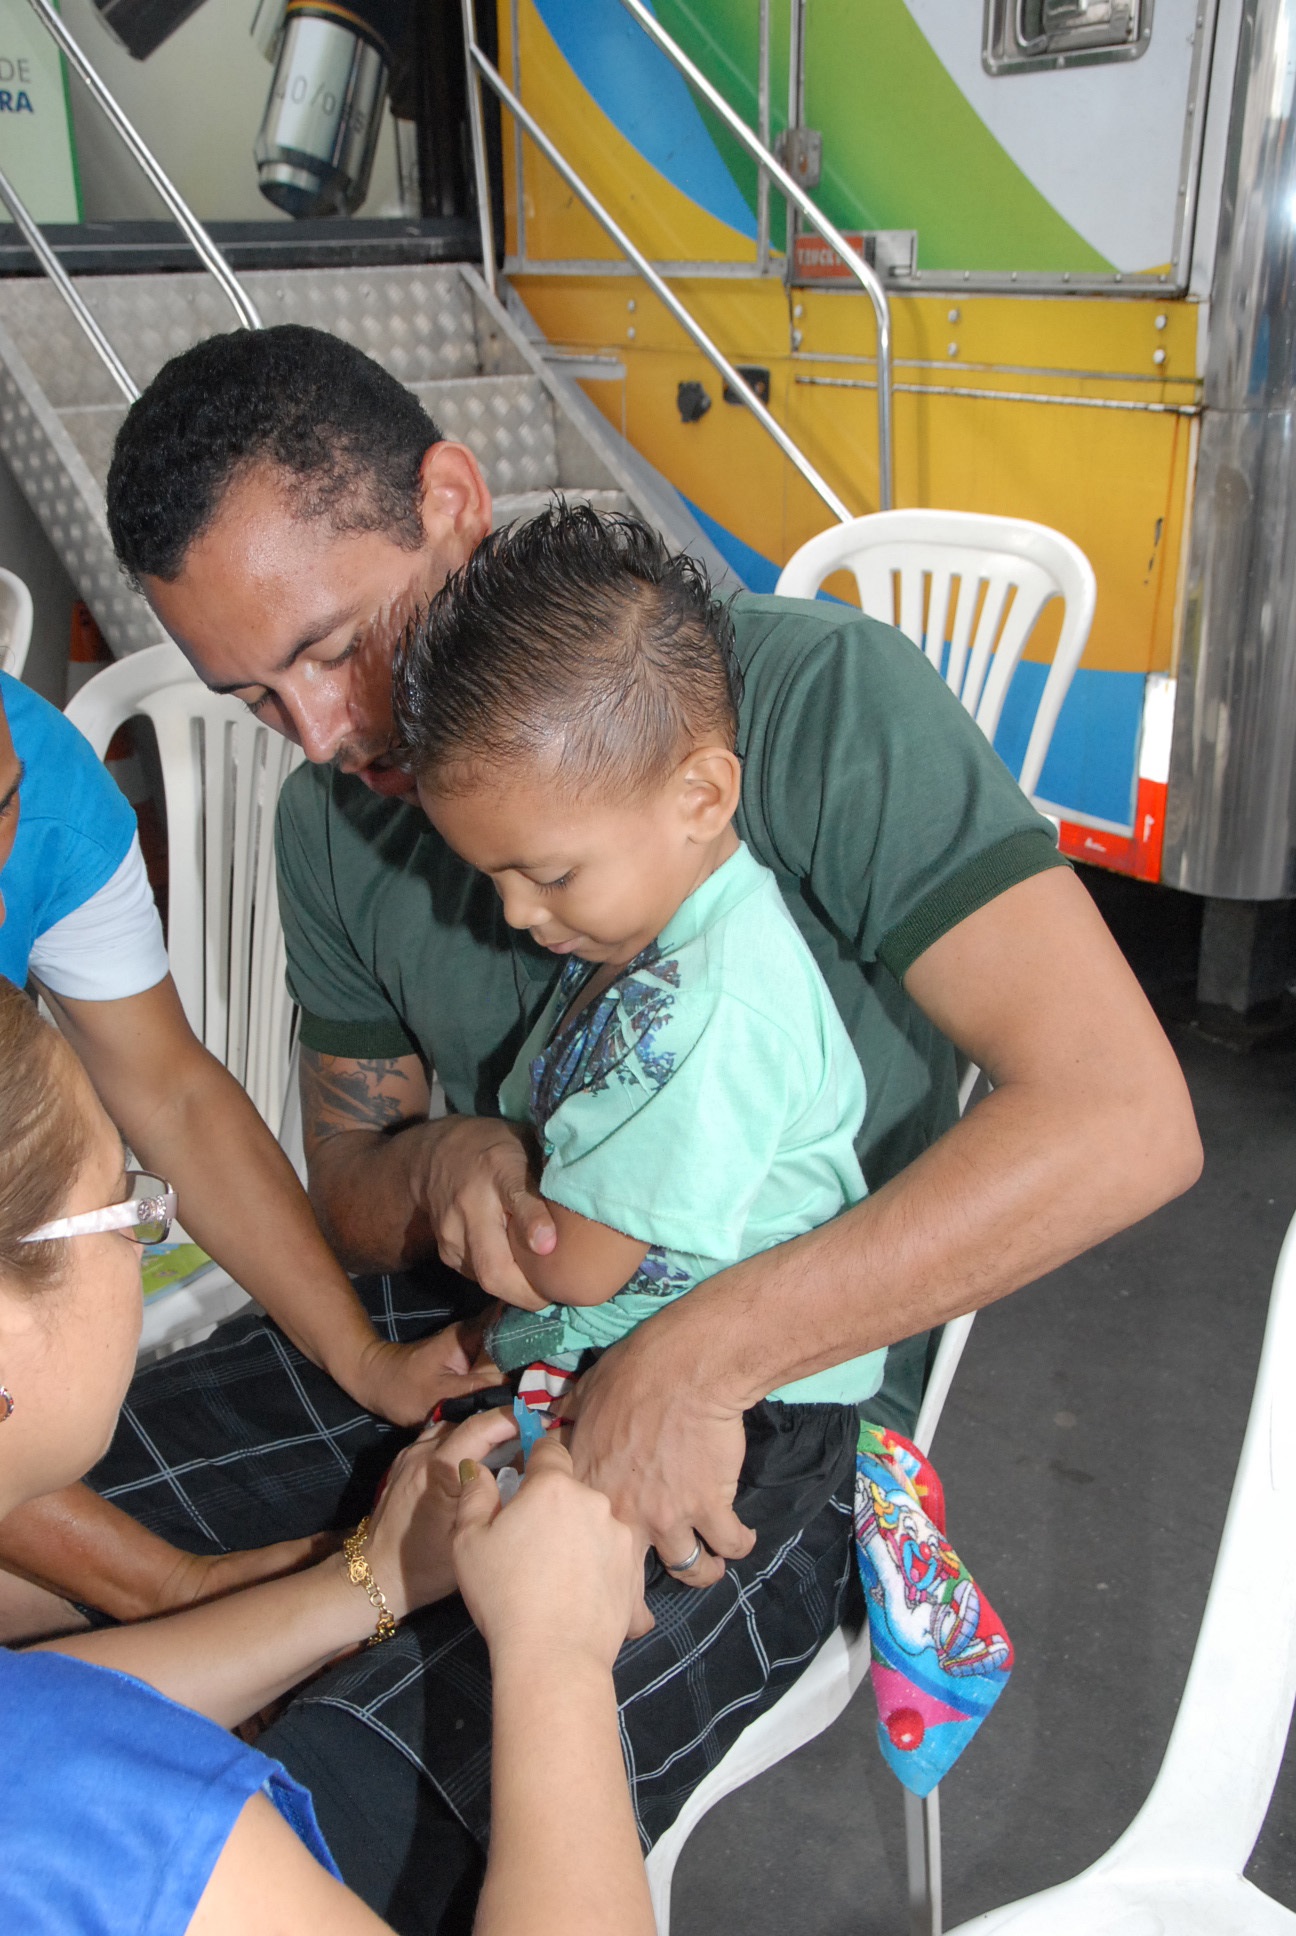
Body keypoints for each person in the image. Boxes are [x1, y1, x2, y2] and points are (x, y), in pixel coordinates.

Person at [86, 322, 1198, 1910]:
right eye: (256, 698)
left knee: (334, 1807)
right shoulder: (329, 820)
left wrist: (702, 1351)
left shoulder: (804, 704)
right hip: (501, 1329)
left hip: (775, 1411)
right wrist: (441, 1162)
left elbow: (1124, 1120)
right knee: (60, 1514)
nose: (324, 735)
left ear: (453, 500)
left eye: (337, 648)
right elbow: (348, 1176)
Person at [0, 976, 653, 1936]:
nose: (146, 1241)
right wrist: (558, 1655)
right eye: (124, 1206)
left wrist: (373, 1577)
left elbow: (37, 1708)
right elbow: (60, 1756)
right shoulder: (118, 1833)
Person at [394, 504, 889, 1552]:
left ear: (702, 794)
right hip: (644, 1346)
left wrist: (492, 1220)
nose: (519, 913)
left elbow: (574, 1267)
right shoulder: (649, 938)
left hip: (751, 1417)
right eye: (494, 875)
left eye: (549, 873)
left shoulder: (702, 1009)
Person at [0, 668, 497, 1642]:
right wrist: (174, 1591)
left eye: (2, 800)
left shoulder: (43, 778)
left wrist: (362, 1357)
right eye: (124, 1210)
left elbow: (172, 1092)